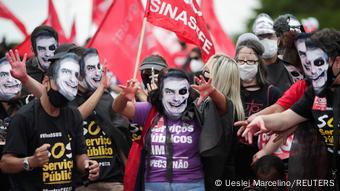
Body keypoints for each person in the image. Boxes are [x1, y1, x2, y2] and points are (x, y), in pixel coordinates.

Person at [240, 28, 340, 190]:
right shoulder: (314, 91)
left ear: (338, 62)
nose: (313, 70)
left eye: (320, 62)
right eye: (309, 62)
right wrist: (260, 120)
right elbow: (285, 118)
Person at [114, 68, 227, 191]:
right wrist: (123, 96)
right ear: (161, 92)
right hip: (154, 184)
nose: (176, 98)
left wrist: (213, 92)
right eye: (169, 92)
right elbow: (119, 108)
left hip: (191, 184)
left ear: (188, 92)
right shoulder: (149, 110)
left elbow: (223, 108)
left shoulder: (197, 109)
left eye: (182, 91)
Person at [0, 52, 100, 191]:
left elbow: (80, 154)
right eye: (63, 76)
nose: (71, 82)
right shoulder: (24, 117)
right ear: (46, 81)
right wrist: (31, 161)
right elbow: (5, 163)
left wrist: (87, 165)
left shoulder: (73, 116)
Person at [70, 48, 130, 191]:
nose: (98, 73)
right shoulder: (67, 99)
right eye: (90, 68)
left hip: (114, 182)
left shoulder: (106, 97)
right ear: (77, 72)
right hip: (82, 184)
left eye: (98, 67)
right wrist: (100, 89)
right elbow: (75, 119)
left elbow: (121, 136)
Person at [235, 37, 282, 184]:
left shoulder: (272, 93)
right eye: (240, 61)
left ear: (259, 64)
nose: (245, 65)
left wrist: (265, 152)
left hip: (263, 162)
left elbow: (282, 128)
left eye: (250, 61)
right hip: (233, 162)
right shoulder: (230, 92)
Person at [202, 54, 245, 190]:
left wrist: (212, 91)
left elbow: (222, 103)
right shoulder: (210, 103)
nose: (204, 76)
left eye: (208, 72)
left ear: (219, 77)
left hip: (219, 181)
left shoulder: (226, 107)